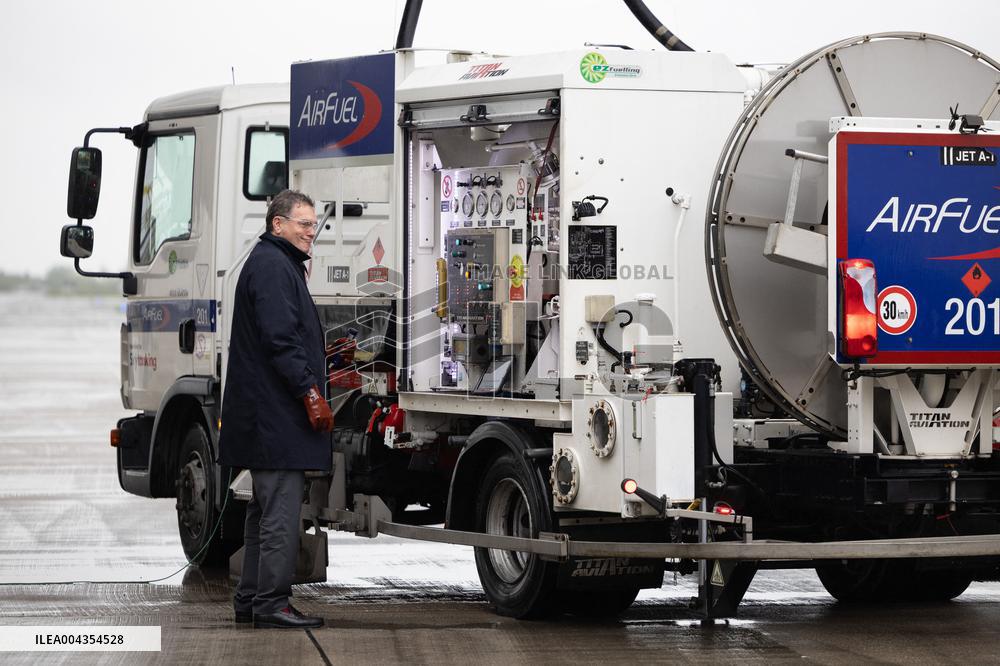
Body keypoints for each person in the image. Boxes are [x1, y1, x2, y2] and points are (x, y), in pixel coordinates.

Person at [218, 189, 334, 629]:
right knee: (280, 515)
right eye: (304, 224)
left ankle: (251, 601)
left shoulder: (275, 263)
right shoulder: (272, 266)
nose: (311, 231)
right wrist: (310, 392)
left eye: (314, 223)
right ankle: (271, 604)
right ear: (278, 224)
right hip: (276, 419)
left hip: (266, 418)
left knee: (261, 513)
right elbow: (280, 340)